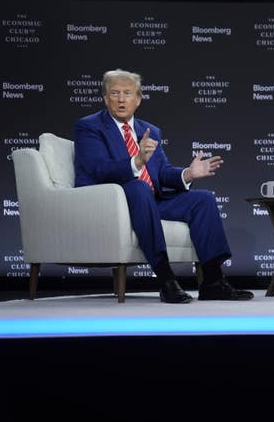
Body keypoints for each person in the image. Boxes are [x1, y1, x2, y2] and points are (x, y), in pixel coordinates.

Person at [74, 69, 253, 304]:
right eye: (114, 93)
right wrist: (136, 161)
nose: (120, 99)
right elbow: (98, 168)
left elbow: (162, 174)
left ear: (137, 99)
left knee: (204, 199)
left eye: (127, 93)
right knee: (138, 188)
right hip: (112, 202)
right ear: (105, 98)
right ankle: (166, 279)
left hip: (151, 200)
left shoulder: (150, 131)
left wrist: (188, 174)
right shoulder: (89, 127)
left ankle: (213, 281)